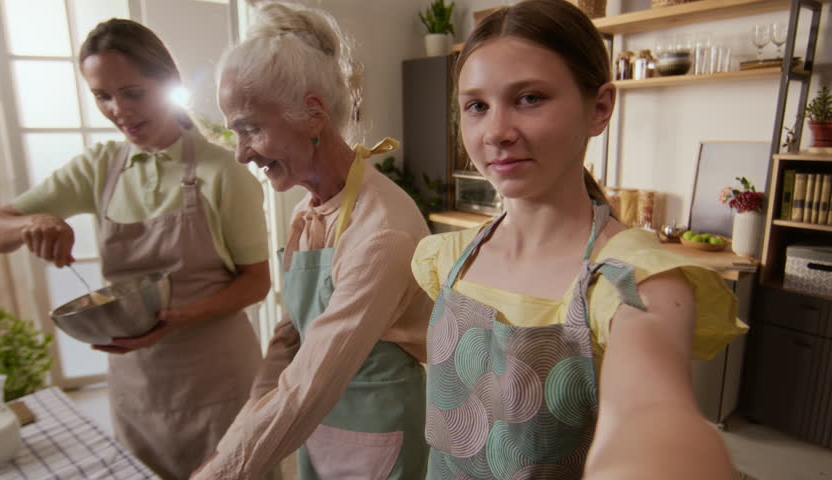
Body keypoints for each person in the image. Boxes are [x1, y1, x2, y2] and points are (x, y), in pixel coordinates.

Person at [410, 1, 748, 478]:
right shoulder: (449, 259)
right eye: (477, 106)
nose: (496, 133)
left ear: (600, 107)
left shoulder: (632, 281)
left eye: (529, 98)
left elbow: (649, 414)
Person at [0, 19, 270, 480]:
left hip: (218, 380)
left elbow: (257, 281)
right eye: (102, 96)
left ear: (167, 83)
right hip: (137, 388)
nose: (118, 110)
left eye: (133, 92)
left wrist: (177, 318)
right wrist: (36, 222)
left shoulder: (223, 172)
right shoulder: (99, 169)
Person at [190, 2, 433, 479]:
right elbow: (289, 343)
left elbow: (313, 378)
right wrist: (232, 446)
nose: (239, 154)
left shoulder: (381, 230)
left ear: (312, 113)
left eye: (250, 129)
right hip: (317, 422)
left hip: (379, 430)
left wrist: (228, 469)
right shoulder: (306, 214)